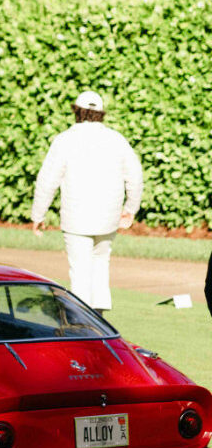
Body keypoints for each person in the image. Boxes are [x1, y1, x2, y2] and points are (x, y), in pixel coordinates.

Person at [31, 90, 142, 314]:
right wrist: (130, 209)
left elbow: (47, 180)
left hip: (76, 218)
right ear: (101, 113)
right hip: (108, 217)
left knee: (80, 271)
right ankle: (99, 319)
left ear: (77, 111)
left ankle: (82, 321)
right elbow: (135, 175)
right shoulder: (116, 139)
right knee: (100, 263)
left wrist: (38, 215)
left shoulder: (65, 140)